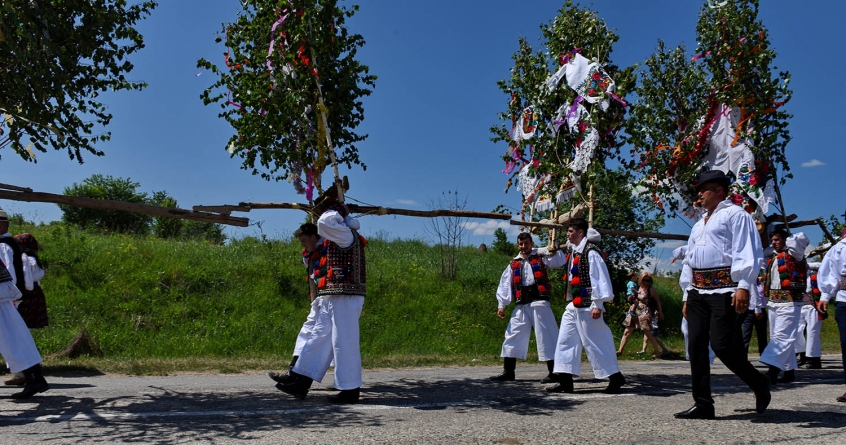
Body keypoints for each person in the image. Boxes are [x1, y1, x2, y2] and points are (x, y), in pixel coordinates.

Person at [675, 170, 770, 420]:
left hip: (725, 290)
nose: (699, 194)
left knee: (722, 346)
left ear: (719, 191)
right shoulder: (698, 224)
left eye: (704, 189)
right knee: (695, 345)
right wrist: (687, 294)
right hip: (697, 291)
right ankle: (703, 404)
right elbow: (690, 260)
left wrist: (743, 286)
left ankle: (759, 383)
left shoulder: (736, 215)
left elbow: (747, 250)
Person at [276, 186, 366, 404]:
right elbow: (325, 224)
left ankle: (350, 389)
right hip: (333, 295)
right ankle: (301, 381)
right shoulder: (338, 237)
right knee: (319, 337)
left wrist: (337, 207)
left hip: (344, 295)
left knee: (343, 342)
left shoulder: (345, 235)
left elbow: (325, 222)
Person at [547, 218, 625, 394]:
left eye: (571, 231)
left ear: (580, 232)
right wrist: (551, 237)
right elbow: (554, 258)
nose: (568, 234)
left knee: (595, 342)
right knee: (565, 340)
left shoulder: (591, 252)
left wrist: (598, 303)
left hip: (589, 305)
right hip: (574, 306)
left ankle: (615, 377)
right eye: (567, 231)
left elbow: (600, 278)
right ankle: (565, 381)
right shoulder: (574, 250)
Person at [489, 232, 565, 383]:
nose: (524, 247)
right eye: (521, 244)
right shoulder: (514, 263)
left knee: (547, 336)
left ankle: (555, 372)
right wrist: (501, 305)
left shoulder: (541, 255)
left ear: (532, 243)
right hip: (521, 304)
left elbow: (558, 261)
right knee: (512, 335)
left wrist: (553, 243)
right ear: (518, 245)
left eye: (527, 244)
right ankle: (508, 372)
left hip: (539, 302)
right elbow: (505, 284)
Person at [268, 223, 336, 385]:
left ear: (314, 237)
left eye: (304, 240)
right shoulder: (309, 255)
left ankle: (301, 379)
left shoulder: (329, 248)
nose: (303, 244)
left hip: (330, 301)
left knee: (321, 340)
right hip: (318, 301)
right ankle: (293, 373)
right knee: (306, 334)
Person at [0, 210, 49, 399]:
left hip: (3, 298)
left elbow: (7, 273)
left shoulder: (3, 246)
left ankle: (34, 378)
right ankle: (34, 378)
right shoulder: (6, 244)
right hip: (4, 297)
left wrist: (11, 294)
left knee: (14, 340)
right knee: (14, 339)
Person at [759, 229, 810, 385]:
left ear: (786, 240)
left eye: (777, 239)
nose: (774, 242)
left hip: (790, 302)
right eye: (772, 239)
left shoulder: (796, 253)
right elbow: (762, 251)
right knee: (777, 336)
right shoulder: (773, 256)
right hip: (774, 302)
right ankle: (789, 372)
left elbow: (801, 239)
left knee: (783, 336)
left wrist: (788, 239)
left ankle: (772, 372)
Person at [818, 235, 846, 403]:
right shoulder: (840, 247)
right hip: (844, 300)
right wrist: (825, 295)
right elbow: (830, 271)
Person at [616, 272, 665, 358]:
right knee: (627, 331)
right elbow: (631, 297)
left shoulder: (650, 290)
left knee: (647, 332)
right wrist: (630, 298)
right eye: (643, 280)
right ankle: (620, 350)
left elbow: (658, 300)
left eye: (647, 280)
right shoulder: (637, 287)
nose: (645, 282)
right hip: (634, 310)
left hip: (644, 311)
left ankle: (657, 351)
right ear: (640, 279)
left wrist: (660, 312)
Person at [794, 262, 823, 369]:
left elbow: (823, 264)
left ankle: (814, 359)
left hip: (812, 305)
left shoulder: (814, 273)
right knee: (797, 330)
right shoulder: (795, 274)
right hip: (799, 305)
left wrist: (807, 264)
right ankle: (801, 355)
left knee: (812, 332)